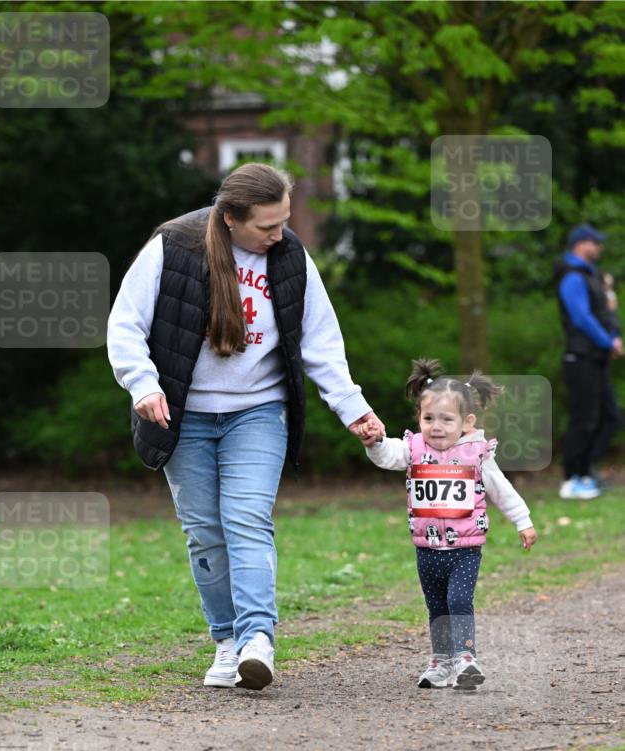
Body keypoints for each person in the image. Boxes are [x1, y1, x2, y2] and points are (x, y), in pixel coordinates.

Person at [107, 162, 384, 691]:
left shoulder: (289, 257)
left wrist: (354, 408)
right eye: (267, 226)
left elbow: (321, 341)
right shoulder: (174, 246)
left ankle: (258, 639)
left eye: (284, 222)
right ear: (231, 218)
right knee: (205, 532)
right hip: (183, 414)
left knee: (246, 518)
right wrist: (143, 385)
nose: (279, 235)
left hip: (259, 410)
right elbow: (125, 325)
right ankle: (227, 640)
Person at [356, 358, 536, 691]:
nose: (436, 426)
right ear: (418, 419)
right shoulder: (413, 448)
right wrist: (375, 443)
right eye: (428, 418)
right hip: (426, 547)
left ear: (467, 422)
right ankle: (440, 661)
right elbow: (388, 456)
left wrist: (522, 520)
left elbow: (501, 490)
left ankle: (466, 659)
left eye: (446, 419)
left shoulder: (476, 453)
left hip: (465, 548)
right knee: (436, 606)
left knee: (458, 600)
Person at [555, 223, 623, 500]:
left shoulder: (592, 276)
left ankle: (586, 471)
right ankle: (572, 479)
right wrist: (609, 341)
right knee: (584, 420)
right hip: (580, 357)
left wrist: (613, 335)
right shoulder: (572, 277)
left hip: (596, 359)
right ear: (581, 244)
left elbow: (607, 311)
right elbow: (581, 317)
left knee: (610, 417)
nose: (599, 247)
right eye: (595, 242)